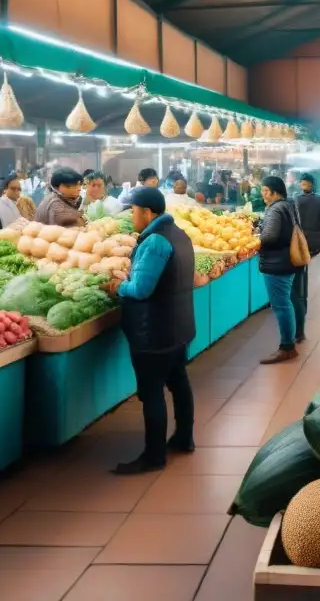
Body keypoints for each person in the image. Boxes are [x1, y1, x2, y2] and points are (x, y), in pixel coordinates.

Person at [103, 188, 195, 475]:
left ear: (147, 212)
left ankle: (154, 456)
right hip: (177, 326)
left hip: (153, 331)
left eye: (133, 211)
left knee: (152, 391)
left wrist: (119, 287)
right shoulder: (179, 234)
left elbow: (141, 289)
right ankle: (184, 438)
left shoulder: (155, 241)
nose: (131, 217)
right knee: (178, 382)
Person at [258, 176, 306, 364]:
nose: (262, 195)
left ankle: (287, 347)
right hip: (288, 260)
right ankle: (290, 342)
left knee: (281, 305)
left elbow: (269, 236)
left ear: (272, 191)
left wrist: (256, 238)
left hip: (276, 263)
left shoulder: (275, 209)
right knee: (286, 302)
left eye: (264, 191)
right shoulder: (290, 205)